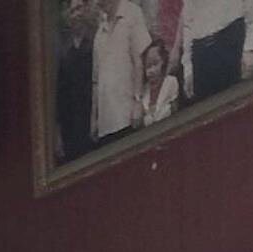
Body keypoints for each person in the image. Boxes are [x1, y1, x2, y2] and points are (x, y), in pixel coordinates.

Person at [92, 0, 154, 140]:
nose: (98, 3)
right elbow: (96, 81)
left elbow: (141, 61)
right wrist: (94, 118)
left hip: (128, 116)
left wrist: (138, 102)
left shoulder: (132, 13)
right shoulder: (99, 32)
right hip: (105, 124)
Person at [181, 0, 253, 102]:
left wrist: (249, 48)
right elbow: (188, 26)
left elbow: (252, 10)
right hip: (201, 53)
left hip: (232, 41)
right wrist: (188, 70)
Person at [55, 0, 100, 160]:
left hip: (92, 118)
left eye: (79, 9)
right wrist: (57, 132)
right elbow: (59, 94)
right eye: (72, 11)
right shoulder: (63, 50)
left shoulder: (96, 41)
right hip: (70, 124)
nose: (76, 14)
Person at [139, 38, 183, 123]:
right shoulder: (144, 92)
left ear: (163, 61)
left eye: (155, 64)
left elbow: (175, 111)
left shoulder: (171, 82)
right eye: (148, 66)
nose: (151, 70)